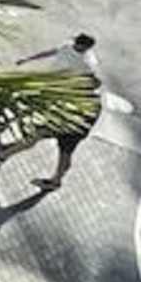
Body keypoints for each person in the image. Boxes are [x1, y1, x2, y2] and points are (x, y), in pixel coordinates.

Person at [26, 39, 104, 201]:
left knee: (61, 151)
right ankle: (56, 180)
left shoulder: (87, 65)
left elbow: (80, 117)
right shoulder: (91, 97)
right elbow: (53, 51)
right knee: (64, 154)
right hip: (68, 123)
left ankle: (55, 180)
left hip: (71, 129)